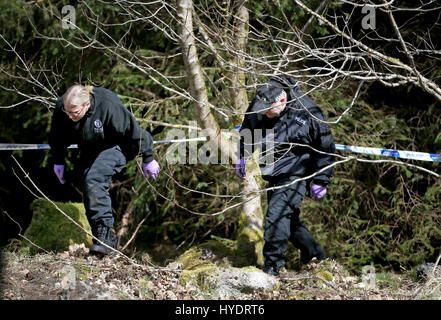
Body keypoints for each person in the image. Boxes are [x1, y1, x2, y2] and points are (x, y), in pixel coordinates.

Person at [236, 76, 335, 276]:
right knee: (288, 221)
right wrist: (243, 157)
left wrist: (322, 180)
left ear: (282, 101)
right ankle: (315, 254)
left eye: (267, 109)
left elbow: (325, 146)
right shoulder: (260, 104)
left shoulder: (308, 111)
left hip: (297, 172)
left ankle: (272, 267)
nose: (263, 112)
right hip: (273, 171)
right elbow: (248, 131)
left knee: (276, 215)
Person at [49, 85, 160, 255]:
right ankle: (100, 240)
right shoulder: (63, 108)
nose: (69, 116)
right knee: (87, 184)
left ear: (86, 105)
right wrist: (58, 160)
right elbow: (57, 136)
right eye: (66, 111)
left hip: (117, 144)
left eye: (74, 112)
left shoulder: (109, 105)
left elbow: (134, 131)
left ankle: (106, 237)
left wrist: (148, 158)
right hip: (90, 147)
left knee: (94, 178)